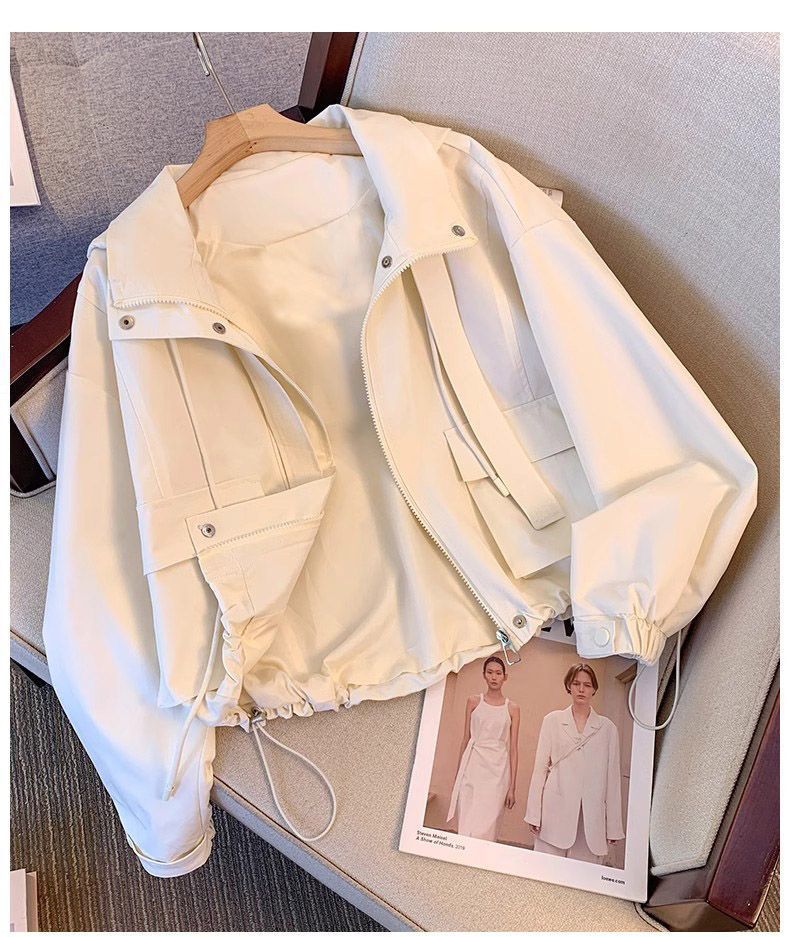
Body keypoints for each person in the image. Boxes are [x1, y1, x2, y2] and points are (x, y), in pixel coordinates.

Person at [524, 663, 625, 862]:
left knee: (583, 873)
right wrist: (534, 813)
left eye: (587, 685)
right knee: (545, 868)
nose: (581, 689)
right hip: (555, 809)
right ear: (569, 686)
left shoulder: (607, 728)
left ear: (594, 689)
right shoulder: (552, 721)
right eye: (576, 683)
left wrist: (613, 827)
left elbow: (612, 780)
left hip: (590, 817)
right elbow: (540, 770)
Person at [446, 656, 520, 841]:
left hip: (498, 773)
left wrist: (512, 787)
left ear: (505, 677)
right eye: (490, 672)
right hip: (472, 767)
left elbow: (513, 749)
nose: (494, 677)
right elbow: (465, 739)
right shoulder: (473, 701)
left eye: (498, 673)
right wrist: (458, 775)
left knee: (488, 827)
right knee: (467, 822)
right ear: (484, 675)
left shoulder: (512, 708)